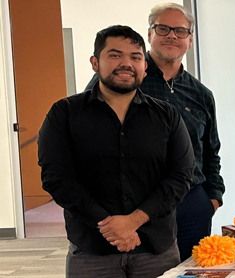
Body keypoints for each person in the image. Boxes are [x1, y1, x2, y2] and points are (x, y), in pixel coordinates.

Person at [39, 25, 195, 277]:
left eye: (135, 57)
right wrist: (110, 226)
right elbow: (57, 178)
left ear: (144, 66)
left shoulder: (167, 116)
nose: (126, 64)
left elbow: (181, 176)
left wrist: (133, 221)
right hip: (92, 249)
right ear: (94, 62)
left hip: (156, 250)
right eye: (114, 55)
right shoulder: (64, 114)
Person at [86, 3, 225, 261]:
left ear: (190, 40)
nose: (172, 35)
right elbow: (91, 133)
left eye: (180, 31)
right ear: (149, 35)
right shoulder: (122, 77)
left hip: (191, 202)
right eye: (163, 28)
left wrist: (212, 198)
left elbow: (211, 150)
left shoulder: (201, 95)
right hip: (135, 203)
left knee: (190, 272)